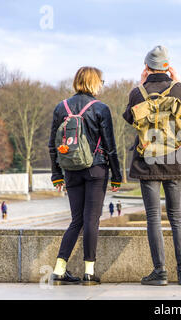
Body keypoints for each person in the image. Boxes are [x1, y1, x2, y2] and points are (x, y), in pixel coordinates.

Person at [123, 45, 181, 286]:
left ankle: (159, 271)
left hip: (148, 160)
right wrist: (178, 82)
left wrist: (140, 84)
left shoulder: (137, 92)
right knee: (176, 216)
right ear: (168, 67)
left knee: (153, 218)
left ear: (147, 68)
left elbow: (129, 118)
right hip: (175, 159)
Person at [48, 66, 122, 286]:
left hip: (70, 170)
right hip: (96, 169)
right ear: (94, 82)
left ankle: (59, 269)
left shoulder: (61, 107)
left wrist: (56, 175)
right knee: (91, 219)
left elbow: (53, 145)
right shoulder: (101, 108)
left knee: (76, 220)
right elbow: (110, 146)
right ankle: (89, 271)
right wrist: (117, 176)